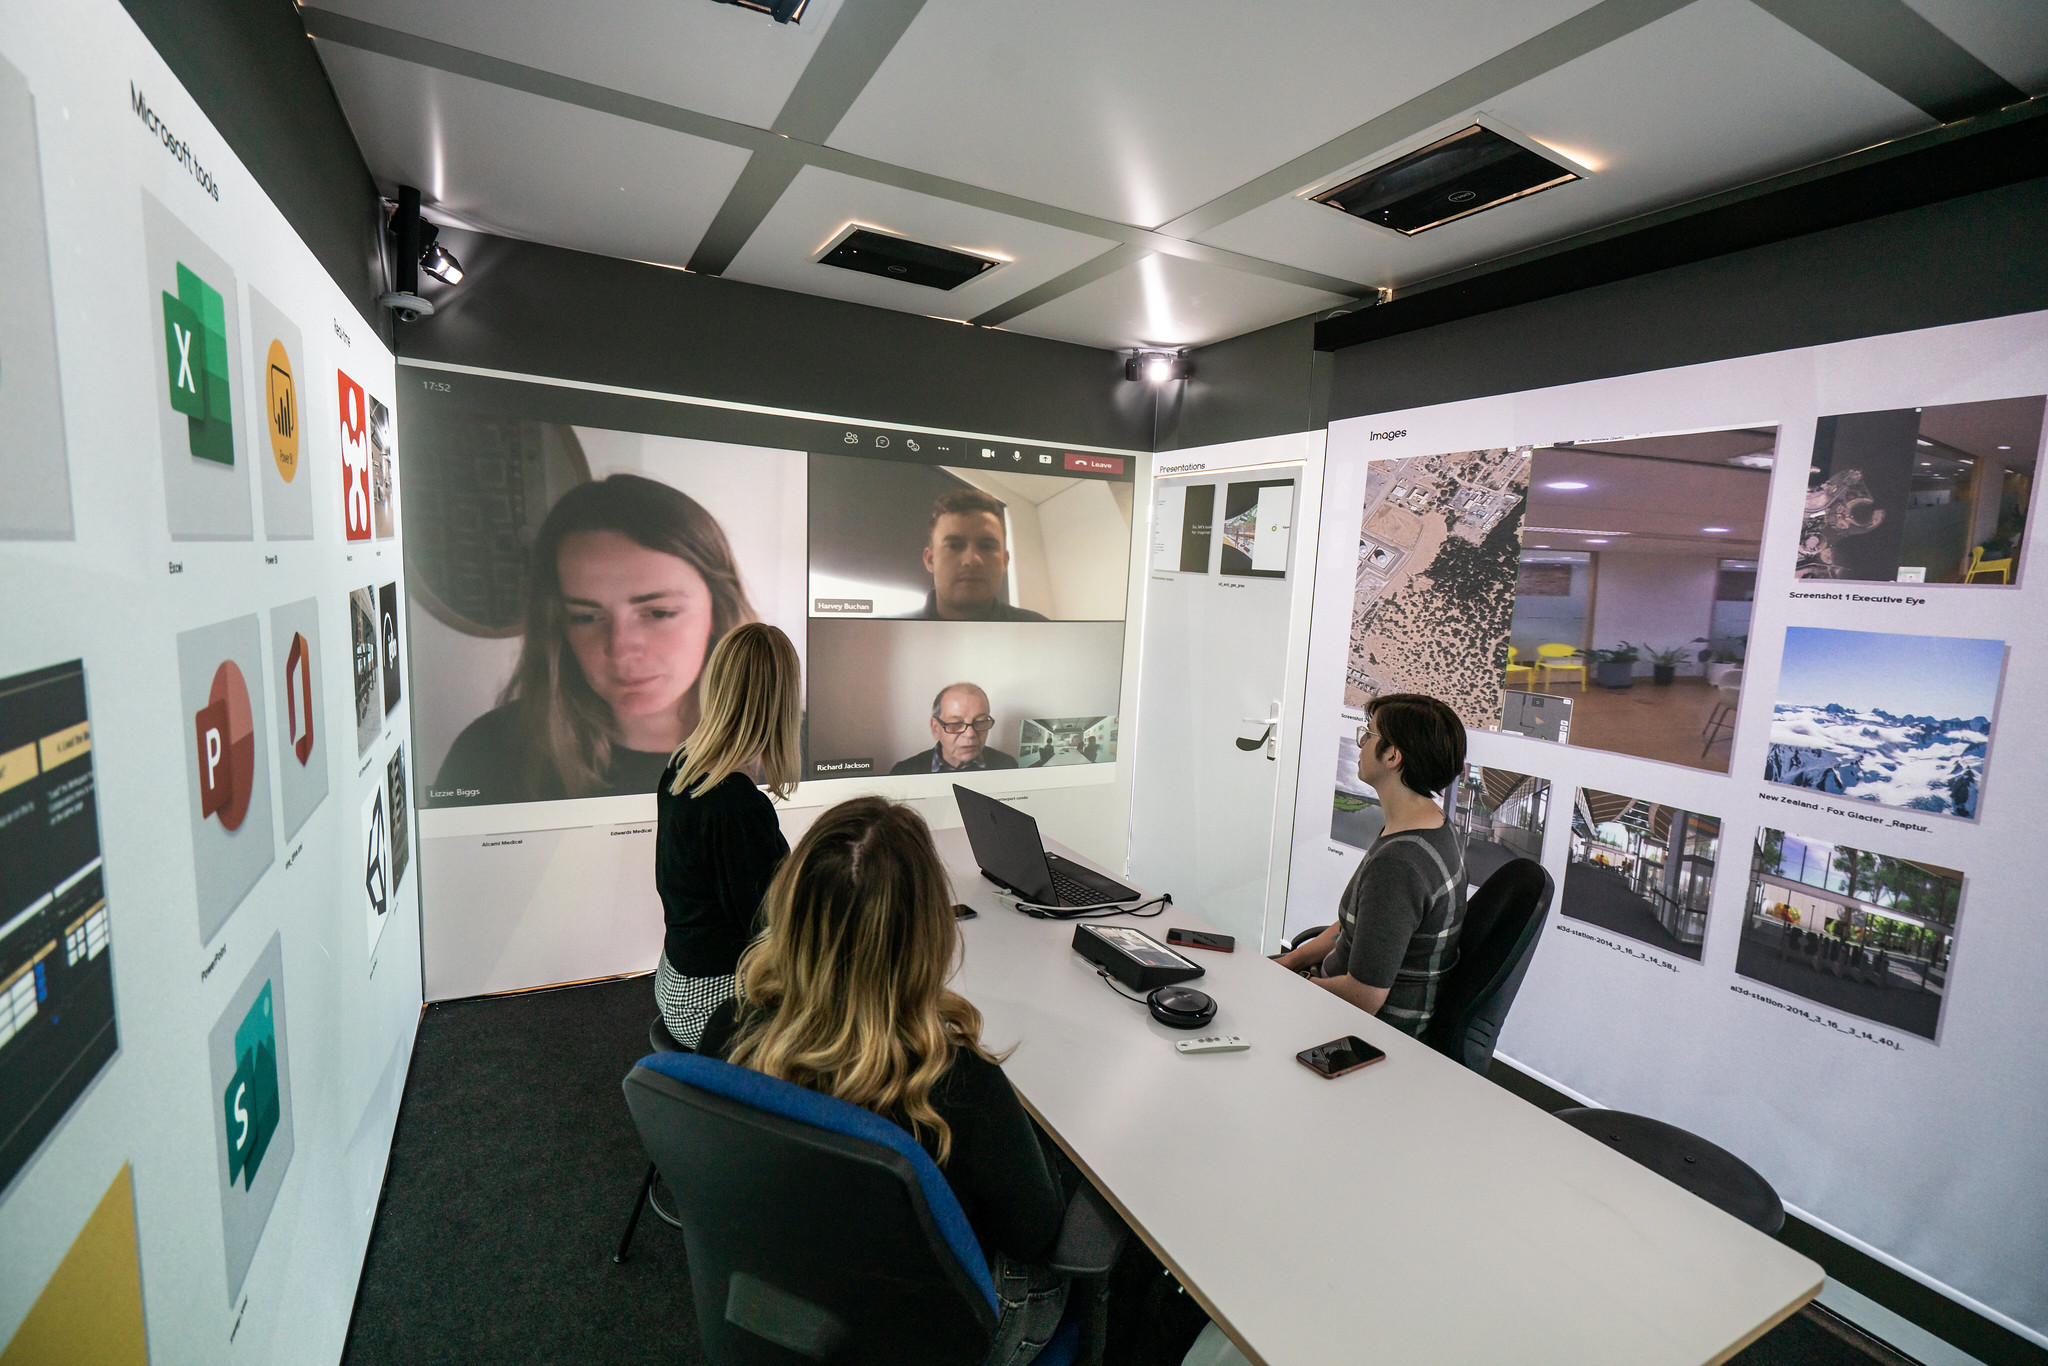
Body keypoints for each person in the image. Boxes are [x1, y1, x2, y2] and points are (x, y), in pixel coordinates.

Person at [697, 797, 1073, 1362]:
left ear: (790, 906)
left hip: (784, 1299)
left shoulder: (731, 1029)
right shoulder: (953, 1081)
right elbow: (1037, 1235)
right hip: (930, 1340)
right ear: (927, 935)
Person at [435, 474, 757, 804]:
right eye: (586, 617)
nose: (619, 648)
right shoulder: (489, 752)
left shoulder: (792, 742)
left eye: (659, 613)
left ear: (718, 608)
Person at [1274, 693, 1468, 1038]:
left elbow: (1363, 997)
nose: (1361, 744)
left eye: (1368, 735)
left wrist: (1297, 984)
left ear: (1393, 756)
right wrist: (1291, 961)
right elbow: (1358, 925)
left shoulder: (1399, 865)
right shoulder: (1427, 824)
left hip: (1367, 1030)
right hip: (1337, 995)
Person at [653, 622, 801, 1048]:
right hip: (710, 1005)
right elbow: (767, 930)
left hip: (674, 982)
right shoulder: (736, 805)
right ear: (781, 702)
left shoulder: (683, 767)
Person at [906, 488, 1049, 621]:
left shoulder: (1043, 630)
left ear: (1004, 562)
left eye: (987, 546)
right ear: (930, 560)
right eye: (954, 546)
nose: (972, 560)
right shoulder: (887, 633)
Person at [890, 683, 1019, 774]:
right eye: (956, 724)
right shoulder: (905, 771)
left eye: (980, 722)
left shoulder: (1006, 766)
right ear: (936, 729)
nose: (970, 734)